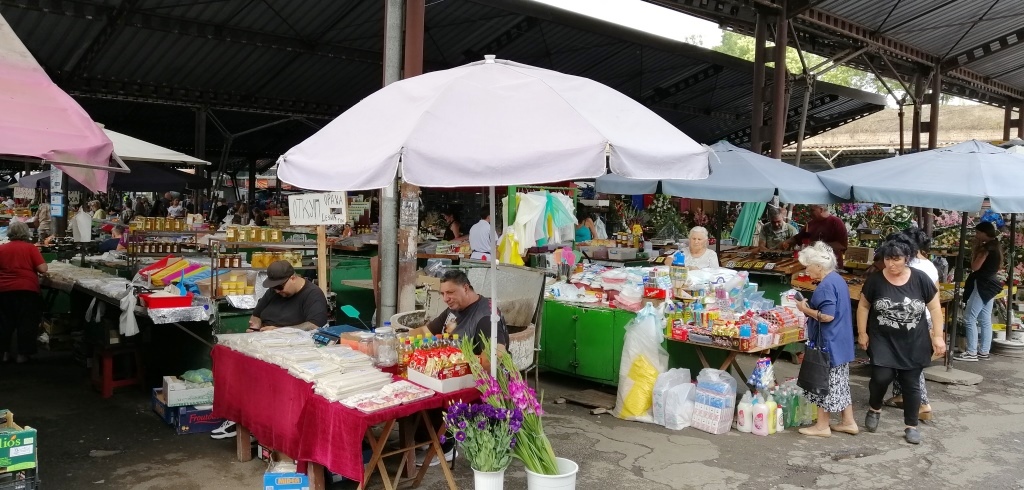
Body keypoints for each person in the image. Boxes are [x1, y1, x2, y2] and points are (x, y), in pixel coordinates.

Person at [858, 238, 945, 444]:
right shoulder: (875, 280)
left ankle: (911, 426)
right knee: (881, 377)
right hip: (883, 340)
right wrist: (862, 332)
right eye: (887, 259)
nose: (891, 264)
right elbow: (863, 306)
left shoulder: (920, 278)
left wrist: (938, 336)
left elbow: (934, 308)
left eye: (896, 259)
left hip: (914, 341)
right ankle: (875, 408)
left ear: (907, 258)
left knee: (911, 383)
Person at [794, 242, 857, 437]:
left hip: (829, 342)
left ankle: (822, 426)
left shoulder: (826, 286)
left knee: (823, 383)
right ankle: (848, 421)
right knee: (840, 382)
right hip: (841, 341)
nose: (806, 271)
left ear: (819, 266)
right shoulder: (837, 279)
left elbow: (828, 316)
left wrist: (805, 310)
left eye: (808, 266)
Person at [886, 228, 938, 419]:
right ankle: (901, 395)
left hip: (913, 320)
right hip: (924, 318)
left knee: (912, 364)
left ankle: (923, 404)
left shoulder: (912, 267)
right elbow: (936, 294)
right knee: (902, 359)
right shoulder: (930, 265)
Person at [0, 221, 48, 364]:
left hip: (3, 291)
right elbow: (43, 269)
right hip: (27, 290)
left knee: (4, 323)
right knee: (26, 323)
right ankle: (23, 355)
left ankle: (4, 354)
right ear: (26, 233)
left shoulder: (2, 249)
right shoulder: (30, 248)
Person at [956, 221, 1003, 362]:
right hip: (991, 284)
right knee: (985, 319)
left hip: (982, 284)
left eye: (977, 233)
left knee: (969, 318)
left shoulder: (985, 248)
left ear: (984, 233)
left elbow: (975, 267)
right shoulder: (996, 246)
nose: (976, 235)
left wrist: (975, 250)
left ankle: (971, 352)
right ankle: (984, 351)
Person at [246, 261, 329, 333]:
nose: (277, 291)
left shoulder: (313, 294)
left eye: (279, 287)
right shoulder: (273, 291)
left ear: (293, 279)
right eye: (273, 287)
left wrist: (279, 331)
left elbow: (314, 325)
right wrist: (255, 327)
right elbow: (256, 315)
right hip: (264, 338)